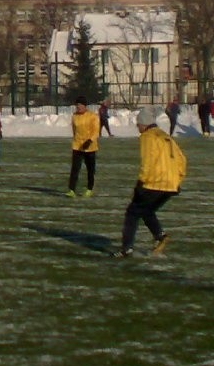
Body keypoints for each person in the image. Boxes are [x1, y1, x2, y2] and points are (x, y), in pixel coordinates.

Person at [113, 106, 186, 258]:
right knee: (146, 210)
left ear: (144, 123)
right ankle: (160, 236)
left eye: (138, 123)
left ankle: (127, 249)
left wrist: (141, 182)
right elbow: (182, 160)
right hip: (171, 184)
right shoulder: (165, 136)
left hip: (155, 182)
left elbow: (147, 161)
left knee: (132, 212)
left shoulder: (147, 137)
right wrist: (177, 180)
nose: (137, 126)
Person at [66, 96, 100, 198]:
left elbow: (96, 131)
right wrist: (76, 141)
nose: (78, 107)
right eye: (77, 105)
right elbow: (74, 130)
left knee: (90, 169)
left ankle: (89, 188)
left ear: (85, 106)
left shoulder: (92, 116)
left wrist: (89, 141)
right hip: (77, 146)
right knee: (75, 168)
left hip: (90, 147)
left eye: (80, 105)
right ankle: (71, 189)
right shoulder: (74, 116)